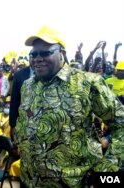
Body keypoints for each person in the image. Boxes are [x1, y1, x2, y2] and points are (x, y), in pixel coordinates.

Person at [15, 26, 124, 187]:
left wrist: (105, 170)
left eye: (45, 53)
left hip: (71, 183)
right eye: (34, 54)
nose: (38, 58)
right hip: (29, 180)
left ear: (62, 53)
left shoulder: (86, 83)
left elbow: (121, 124)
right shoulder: (27, 86)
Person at [9, 49, 34, 140]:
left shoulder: (47, 73)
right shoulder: (19, 74)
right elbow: (14, 101)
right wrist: (12, 125)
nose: (34, 58)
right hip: (23, 121)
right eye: (32, 56)